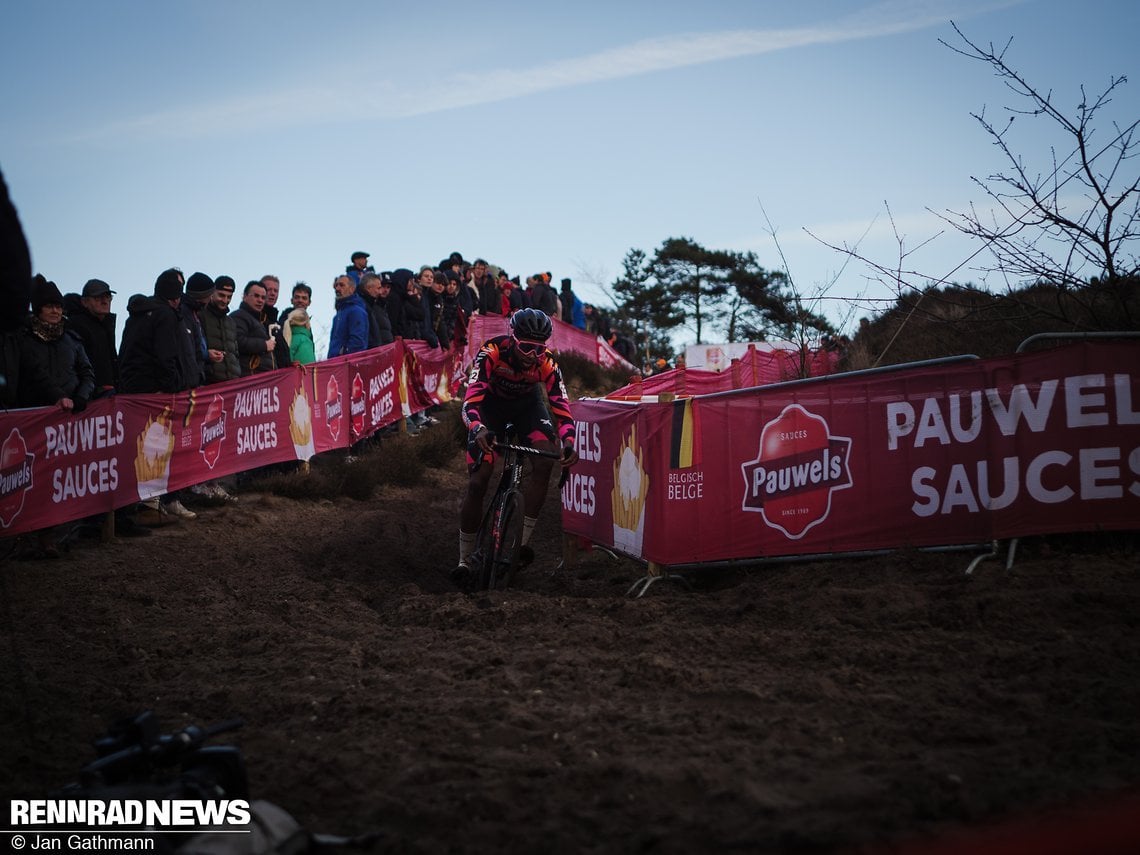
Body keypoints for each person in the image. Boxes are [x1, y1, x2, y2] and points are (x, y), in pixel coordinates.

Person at [456, 308, 578, 582]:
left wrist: (568, 442)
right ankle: (464, 559)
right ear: (512, 339)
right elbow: (470, 403)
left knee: (546, 460)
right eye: (526, 348)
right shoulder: (492, 352)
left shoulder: (547, 364)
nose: (533, 356)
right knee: (479, 482)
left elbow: (562, 409)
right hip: (490, 411)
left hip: (527, 410)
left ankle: (520, 546)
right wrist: (478, 429)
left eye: (539, 349)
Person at [16, 277, 96, 556]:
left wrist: (82, 396)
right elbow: (33, 373)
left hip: (70, 419)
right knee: (32, 478)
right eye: (48, 306)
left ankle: (56, 532)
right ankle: (33, 535)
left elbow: (87, 371)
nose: (54, 311)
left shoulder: (72, 339)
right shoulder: (23, 340)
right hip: (35, 419)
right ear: (37, 309)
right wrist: (57, 398)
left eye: (57, 306)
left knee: (63, 476)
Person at [64, 278, 119, 397]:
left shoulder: (105, 326)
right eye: (98, 298)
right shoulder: (76, 325)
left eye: (108, 297)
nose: (105, 301)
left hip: (107, 394)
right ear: (85, 302)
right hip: (90, 398)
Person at [201, 275, 241, 384]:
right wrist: (206, 354)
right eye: (221, 295)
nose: (225, 300)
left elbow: (235, 354)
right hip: (209, 383)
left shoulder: (231, 322)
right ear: (212, 293)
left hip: (232, 383)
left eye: (229, 297)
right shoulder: (201, 316)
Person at [231, 280, 276, 375]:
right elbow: (238, 342)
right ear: (245, 296)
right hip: (250, 378)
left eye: (263, 298)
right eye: (256, 296)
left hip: (264, 377)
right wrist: (264, 345)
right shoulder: (238, 316)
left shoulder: (260, 322)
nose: (260, 300)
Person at [327, 274, 369, 357]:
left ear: (352, 289)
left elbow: (357, 342)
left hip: (347, 364)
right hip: (335, 365)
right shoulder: (337, 316)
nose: (337, 288)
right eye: (336, 285)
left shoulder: (356, 311)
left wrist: (343, 356)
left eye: (342, 285)